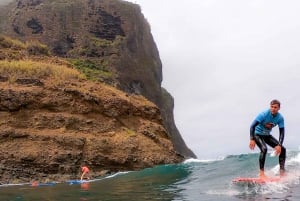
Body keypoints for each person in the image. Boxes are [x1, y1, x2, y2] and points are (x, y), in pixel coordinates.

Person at [249, 99, 286, 178]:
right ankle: (262, 173)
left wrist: (279, 145)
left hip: (266, 135)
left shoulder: (280, 118)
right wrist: (252, 139)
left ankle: (282, 172)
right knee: (264, 149)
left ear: (279, 108)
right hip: (257, 134)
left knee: (283, 149)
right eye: (271, 107)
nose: (273, 109)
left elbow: (282, 132)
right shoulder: (264, 114)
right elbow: (252, 126)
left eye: (275, 107)